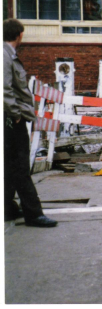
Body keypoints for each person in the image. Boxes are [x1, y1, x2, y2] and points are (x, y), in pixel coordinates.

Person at [3, 18, 57, 227]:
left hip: (8, 119)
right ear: (19, 35)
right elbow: (4, 89)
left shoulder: (7, 55)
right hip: (10, 120)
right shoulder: (6, 57)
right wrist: (16, 114)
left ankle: (6, 208)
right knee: (20, 167)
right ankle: (33, 214)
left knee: (9, 166)